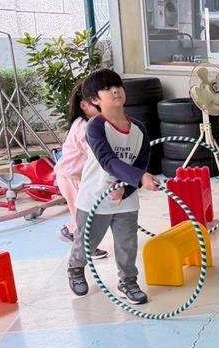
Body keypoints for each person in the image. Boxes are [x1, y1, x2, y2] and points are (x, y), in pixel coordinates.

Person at [65, 69, 158, 305]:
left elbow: (141, 161)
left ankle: (128, 281)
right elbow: (108, 161)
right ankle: (75, 267)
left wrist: (127, 189)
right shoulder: (95, 126)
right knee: (88, 241)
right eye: (106, 88)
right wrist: (140, 178)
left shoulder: (138, 128)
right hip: (95, 196)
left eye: (117, 86)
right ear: (94, 99)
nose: (115, 91)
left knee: (127, 244)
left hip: (126, 199)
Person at [54, 83, 107, 259]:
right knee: (83, 212)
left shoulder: (95, 122)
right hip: (71, 177)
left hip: (78, 176)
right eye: (97, 101)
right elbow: (95, 154)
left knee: (85, 210)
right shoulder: (84, 126)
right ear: (84, 105)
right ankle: (80, 242)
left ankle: (74, 233)